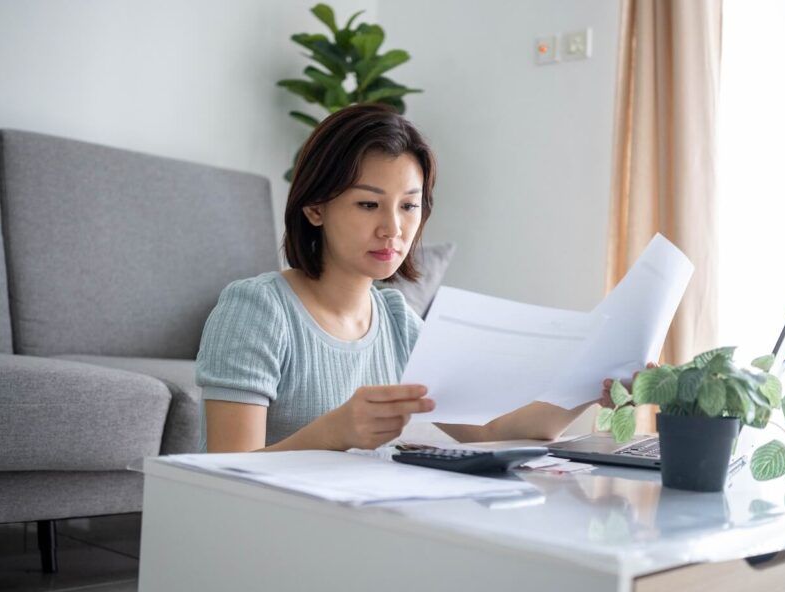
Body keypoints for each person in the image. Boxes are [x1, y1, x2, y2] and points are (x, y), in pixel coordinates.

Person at [197, 103, 620, 453]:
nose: (393, 229)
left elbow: (493, 431)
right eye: (368, 205)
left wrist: (592, 383)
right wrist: (333, 433)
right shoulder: (256, 309)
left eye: (409, 207)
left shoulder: (398, 321)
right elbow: (225, 470)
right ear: (315, 209)